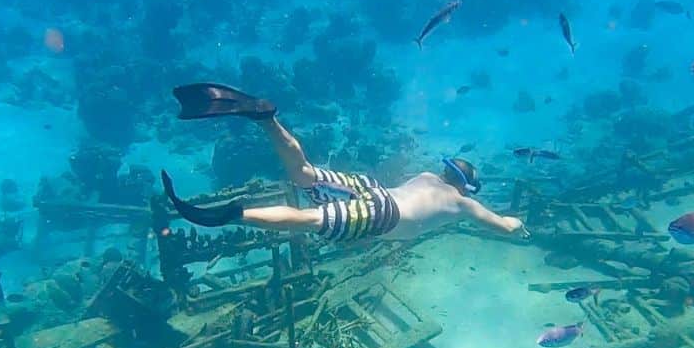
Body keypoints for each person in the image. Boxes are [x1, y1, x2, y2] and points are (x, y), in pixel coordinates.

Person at [160, 83, 527, 242]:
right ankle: (231, 214)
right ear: (466, 185)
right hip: (385, 214)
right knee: (309, 220)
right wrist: (517, 222)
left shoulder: (428, 175)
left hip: (373, 191)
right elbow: (502, 226)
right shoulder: (463, 202)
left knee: (303, 173)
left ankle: (266, 119)